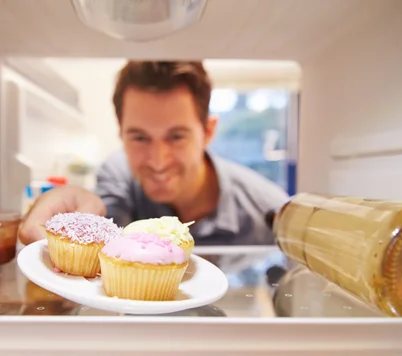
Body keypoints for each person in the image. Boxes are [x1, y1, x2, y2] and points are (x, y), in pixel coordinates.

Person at [19, 61, 289, 246]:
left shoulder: (267, 211)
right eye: (139, 137)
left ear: (208, 131)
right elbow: (100, 221)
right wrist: (71, 210)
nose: (158, 161)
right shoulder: (119, 171)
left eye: (176, 136)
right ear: (121, 134)